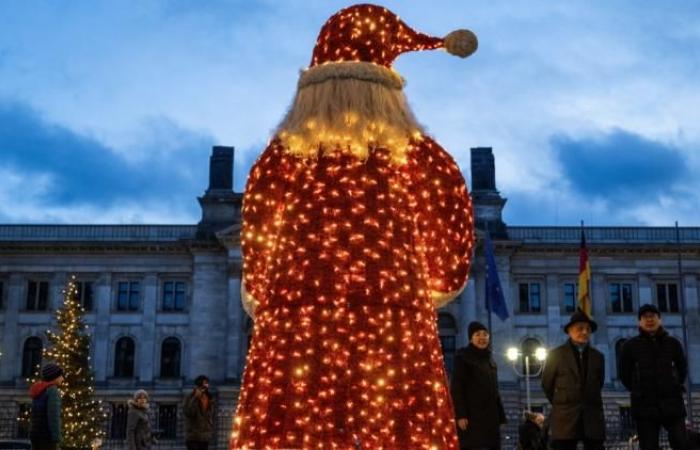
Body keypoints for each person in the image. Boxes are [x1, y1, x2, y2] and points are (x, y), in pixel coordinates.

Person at [619, 303, 689, 450]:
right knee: (648, 446)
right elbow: (624, 374)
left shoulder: (673, 343)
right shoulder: (629, 346)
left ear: (660, 319)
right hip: (645, 406)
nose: (649, 320)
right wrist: (638, 390)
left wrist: (674, 385)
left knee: (681, 442)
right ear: (639, 322)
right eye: (645, 317)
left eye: (653, 316)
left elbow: (682, 369)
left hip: (672, 404)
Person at [541, 310, 605, 449]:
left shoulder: (598, 357)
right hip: (565, 417)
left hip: (592, 417)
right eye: (580, 328)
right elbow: (547, 384)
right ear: (570, 331)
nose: (584, 332)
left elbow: (599, 383)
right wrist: (564, 400)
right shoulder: (556, 355)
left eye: (587, 329)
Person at [450, 321, 507, 450]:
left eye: (485, 334)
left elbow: (495, 392)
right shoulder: (463, 357)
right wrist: (460, 414)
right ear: (471, 338)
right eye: (477, 335)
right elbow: (457, 388)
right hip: (472, 419)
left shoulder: (490, 361)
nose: (482, 338)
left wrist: (501, 417)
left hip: (491, 421)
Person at [29, 363, 64, 450]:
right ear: (54, 377)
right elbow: (53, 416)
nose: (63, 378)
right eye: (60, 375)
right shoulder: (52, 391)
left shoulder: (38, 390)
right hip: (47, 438)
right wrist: (56, 437)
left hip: (35, 436)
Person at [183, 375, 215, 450]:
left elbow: (210, 415)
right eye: (205, 383)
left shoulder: (209, 398)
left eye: (207, 383)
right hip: (193, 437)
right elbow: (189, 412)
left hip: (205, 437)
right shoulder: (190, 397)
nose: (207, 385)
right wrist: (195, 398)